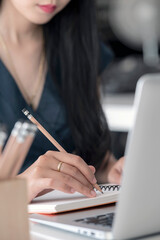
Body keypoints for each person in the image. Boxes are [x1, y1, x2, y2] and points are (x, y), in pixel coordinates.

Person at [0, 0, 124, 202]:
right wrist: (20, 188)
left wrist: (111, 171)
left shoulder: (79, 44)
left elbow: (92, 153)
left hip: (71, 213)